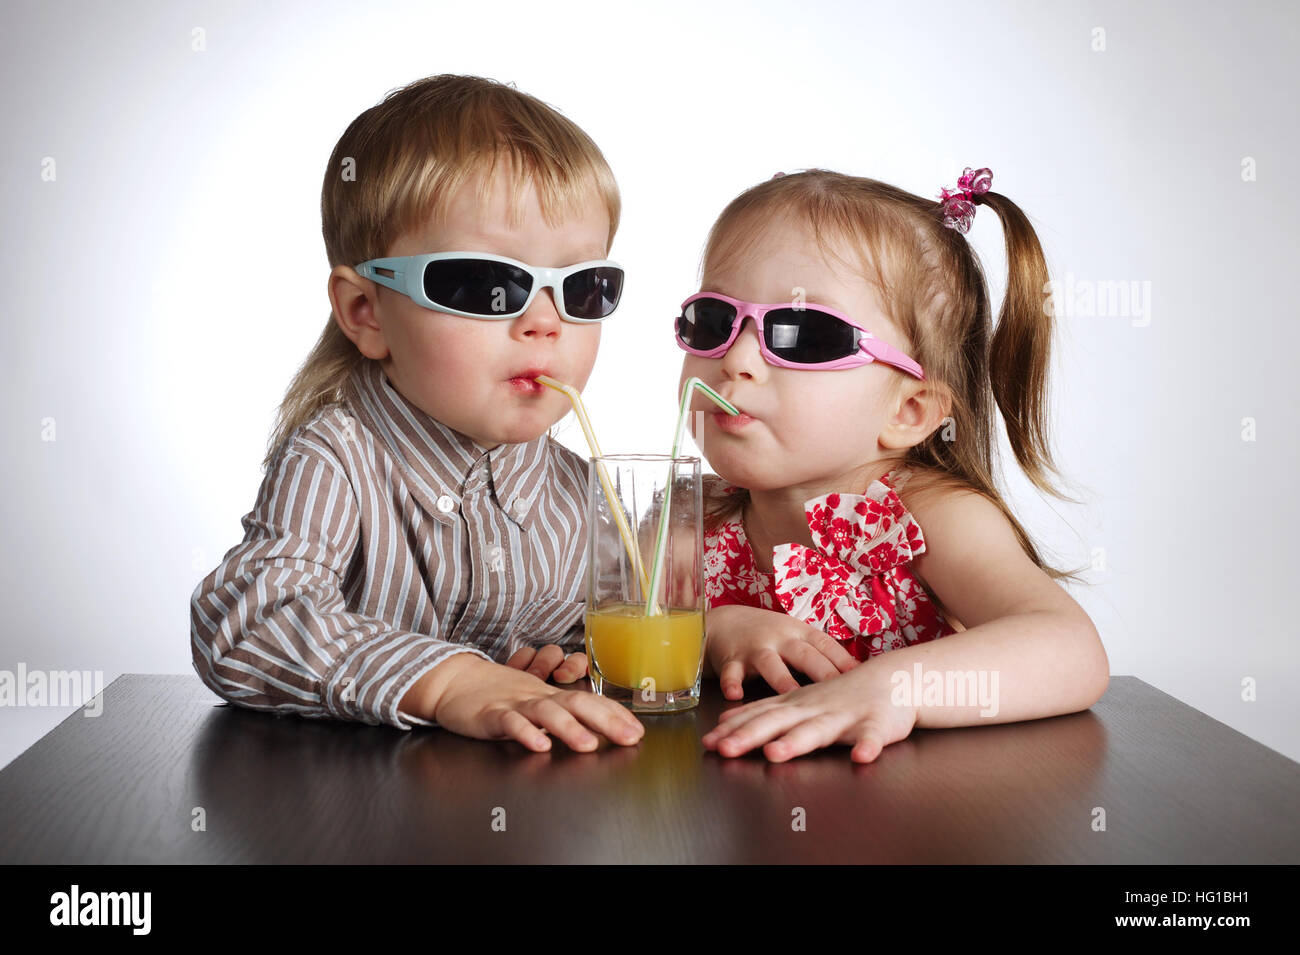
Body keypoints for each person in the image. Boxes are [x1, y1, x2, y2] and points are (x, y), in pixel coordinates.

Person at [190, 74, 643, 754]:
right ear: (366, 312)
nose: (546, 321)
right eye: (490, 285)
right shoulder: (338, 456)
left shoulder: (586, 493)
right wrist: (449, 681)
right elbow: (248, 621)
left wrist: (573, 658)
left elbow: (613, 636)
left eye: (584, 287)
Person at [673, 167, 1109, 762]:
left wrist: (895, 687)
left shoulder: (929, 520)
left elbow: (1070, 649)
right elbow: (592, 637)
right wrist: (708, 632)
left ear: (909, 410)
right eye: (715, 322)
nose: (738, 360)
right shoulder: (688, 520)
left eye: (803, 334)